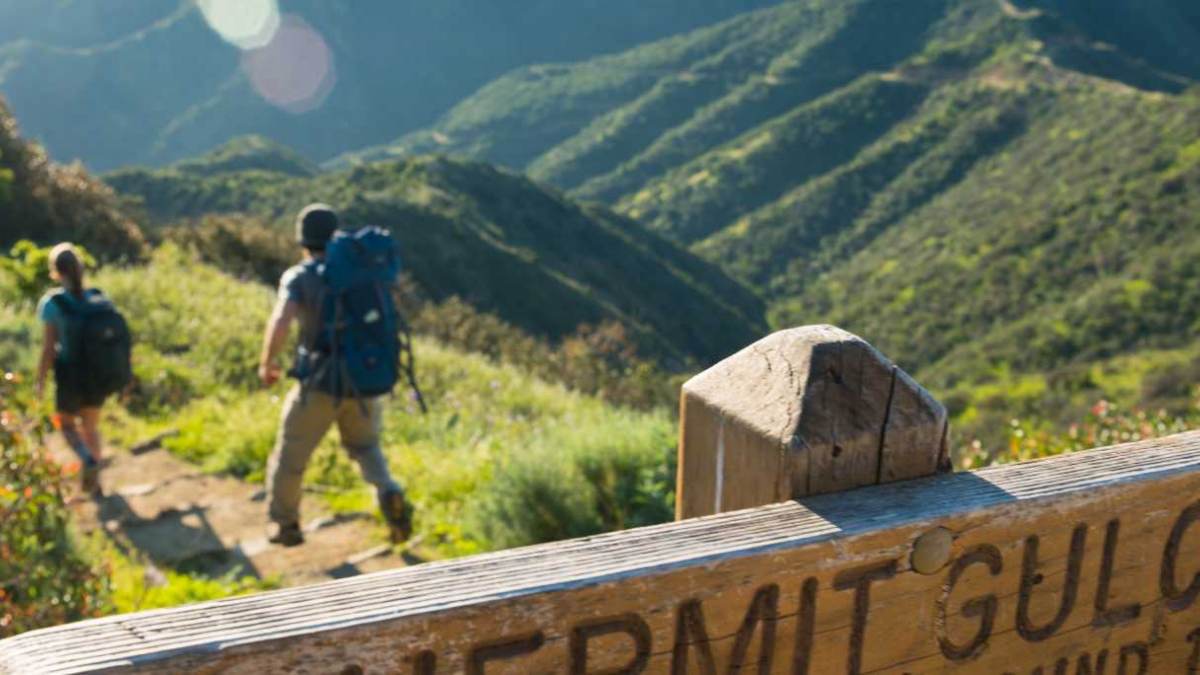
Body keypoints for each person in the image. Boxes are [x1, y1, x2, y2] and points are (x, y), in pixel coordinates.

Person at [258, 203, 413, 547]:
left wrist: (267, 362)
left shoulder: (300, 276)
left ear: (302, 239)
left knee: (290, 455)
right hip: (363, 383)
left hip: (320, 384)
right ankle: (389, 490)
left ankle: (285, 525)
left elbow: (282, 319)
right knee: (366, 446)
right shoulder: (362, 270)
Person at [35, 243, 107, 495]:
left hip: (70, 376)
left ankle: (87, 460)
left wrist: (40, 380)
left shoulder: (52, 303)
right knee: (91, 427)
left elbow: (48, 348)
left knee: (66, 426)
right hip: (98, 375)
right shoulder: (97, 297)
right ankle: (95, 483)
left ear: (56, 271)